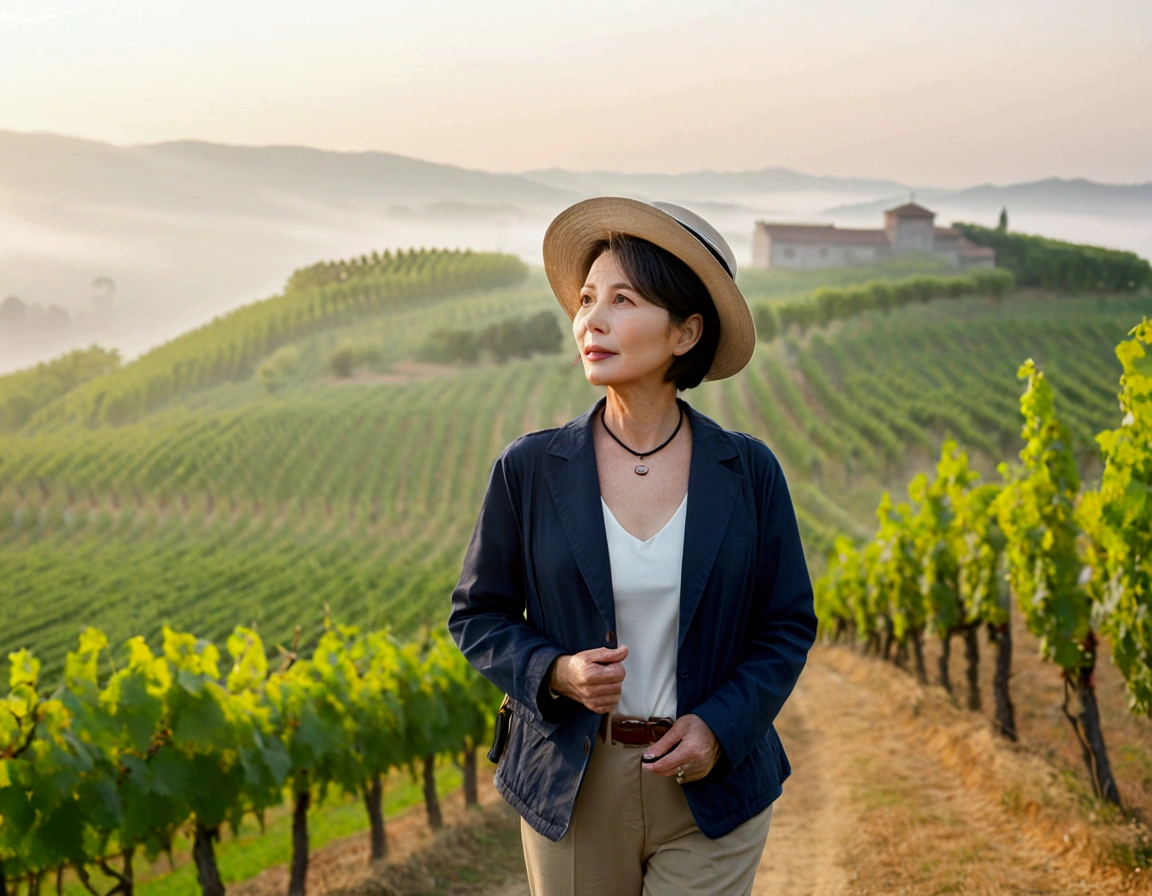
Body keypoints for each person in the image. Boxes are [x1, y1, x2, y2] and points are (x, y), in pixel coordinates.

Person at [447, 197, 817, 896]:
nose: (593, 319)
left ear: (686, 332)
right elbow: (477, 616)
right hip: (574, 782)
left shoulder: (748, 472)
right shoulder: (529, 469)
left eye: (624, 299)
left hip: (710, 784)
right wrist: (556, 672)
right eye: (587, 300)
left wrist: (718, 726)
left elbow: (786, 624)